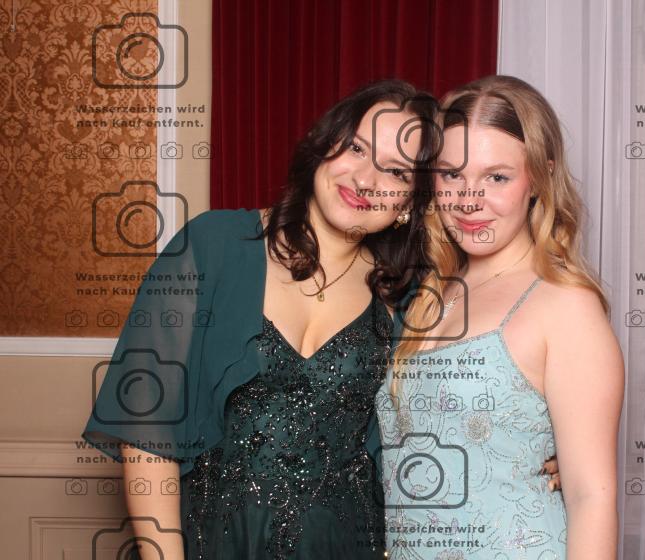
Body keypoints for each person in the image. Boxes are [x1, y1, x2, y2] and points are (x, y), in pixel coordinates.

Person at [83, 79, 439, 559]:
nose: (365, 179)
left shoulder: (407, 297)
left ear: (409, 203)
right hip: (214, 540)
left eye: (395, 172)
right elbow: (148, 434)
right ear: (325, 144)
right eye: (356, 147)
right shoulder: (211, 246)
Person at [374, 75, 625, 559]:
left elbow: (591, 497)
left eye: (497, 177)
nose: (469, 200)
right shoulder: (431, 293)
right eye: (452, 175)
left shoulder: (565, 305)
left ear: (539, 179)